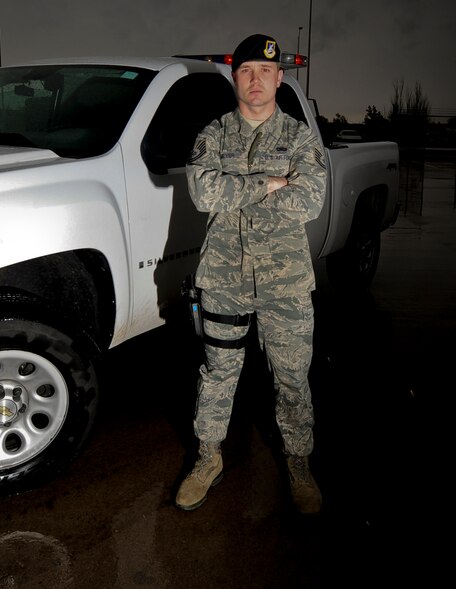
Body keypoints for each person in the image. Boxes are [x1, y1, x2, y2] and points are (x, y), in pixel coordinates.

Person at [176, 33, 327, 514]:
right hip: (223, 280)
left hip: (286, 285)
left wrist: (236, 187)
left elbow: (308, 199)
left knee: (292, 379)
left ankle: (299, 464)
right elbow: (203, 195)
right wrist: (271, 181)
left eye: (265, 71)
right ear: (234, 78)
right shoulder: (212, 136)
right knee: (218, 376)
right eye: (245, 70)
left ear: (280, 79)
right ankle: (207, 459)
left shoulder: (301, 138)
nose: (255, 79)